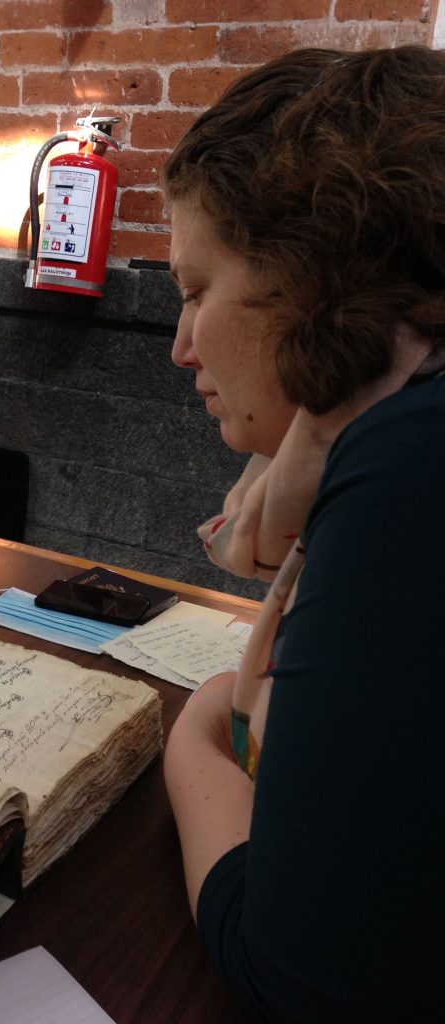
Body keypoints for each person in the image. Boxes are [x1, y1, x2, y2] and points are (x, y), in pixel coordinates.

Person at [161, 45, 445, 1022]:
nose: (181, 345)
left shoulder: (408, 459)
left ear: (312, 276)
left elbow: (306, 972)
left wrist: (195, 740)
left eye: (197, 291)